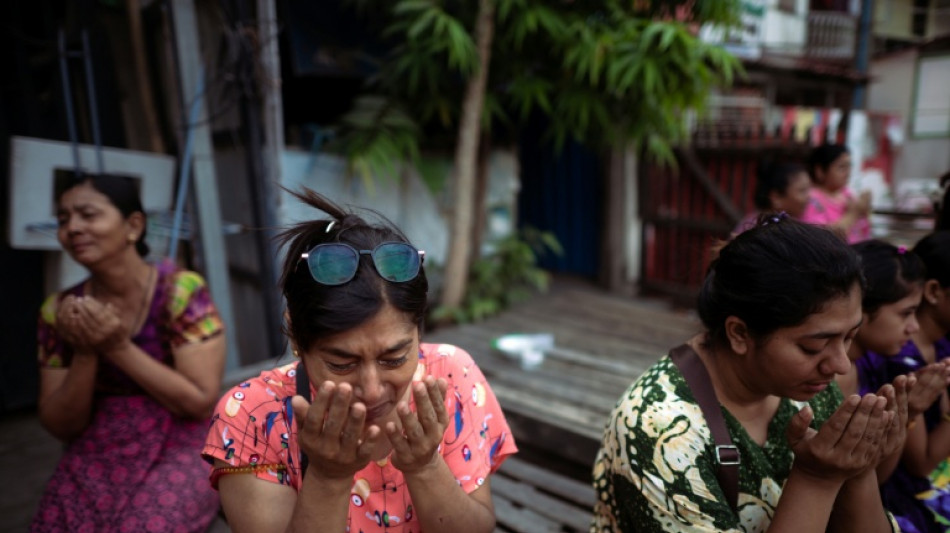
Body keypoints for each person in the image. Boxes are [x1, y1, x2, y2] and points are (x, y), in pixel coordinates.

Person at [201, 189, 517, 532]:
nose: (371, 389)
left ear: (418, 332)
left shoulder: (451, 376)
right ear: (295, 335)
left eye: (394, 358)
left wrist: (425, 466)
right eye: (341, 364)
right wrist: (327, 476)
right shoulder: (252, 416)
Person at [591, 214, 905, 532]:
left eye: (850, 337)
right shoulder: (658, 428)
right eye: (813, 346)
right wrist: (817, 478)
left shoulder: (809, 386)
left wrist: (858, 467)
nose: (840, 365)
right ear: (740, 333)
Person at [31, 172, 227, 532]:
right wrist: (86, 353)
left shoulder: (180, 291)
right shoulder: (57, 311)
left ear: (133, 225)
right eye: (63, 220)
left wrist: (116, 346)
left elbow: (199, 400)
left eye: (88, 214)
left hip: (184, 439)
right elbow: (62, 425)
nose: (72, 228)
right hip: (102, 443)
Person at [802, 143, 872, 243]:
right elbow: (821, 237)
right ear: (820, 171)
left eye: (849, 167)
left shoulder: (847, 194)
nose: (847, 173)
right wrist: (854, 213)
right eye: (841, 167)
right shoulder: (812, 199)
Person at [732, 161, 811, 236]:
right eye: (802, 190)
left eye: (809, 189)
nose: (809, 196)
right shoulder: (759, 228)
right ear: (776, 198)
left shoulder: (789, 224)